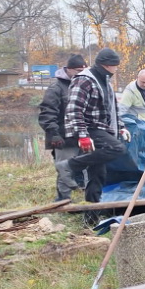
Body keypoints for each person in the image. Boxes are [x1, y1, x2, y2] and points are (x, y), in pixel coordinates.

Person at [56, 48, 131, 218]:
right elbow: (74, 109)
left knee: (97, 175)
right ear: (107, 65)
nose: (116, 69)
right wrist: (82, 135)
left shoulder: (105, 81)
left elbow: (112, 109)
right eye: (115, 66)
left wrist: (121, 127)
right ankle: (69, 166)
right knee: (117, 148)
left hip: (102, 128)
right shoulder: (84, 80)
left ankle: (91, 218)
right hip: (90, 128)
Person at [37, 54, 87, 201]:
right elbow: (47, 113)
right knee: (65, 170)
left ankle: (85, 199)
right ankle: (63, 200)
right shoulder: (56, 88)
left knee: (86, 168)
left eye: (83, 71)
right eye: (78, 71)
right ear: (68, 69)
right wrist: (54, 134)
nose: (81, 74)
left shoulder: (84, 85)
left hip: (82, 135)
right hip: (62, 136)